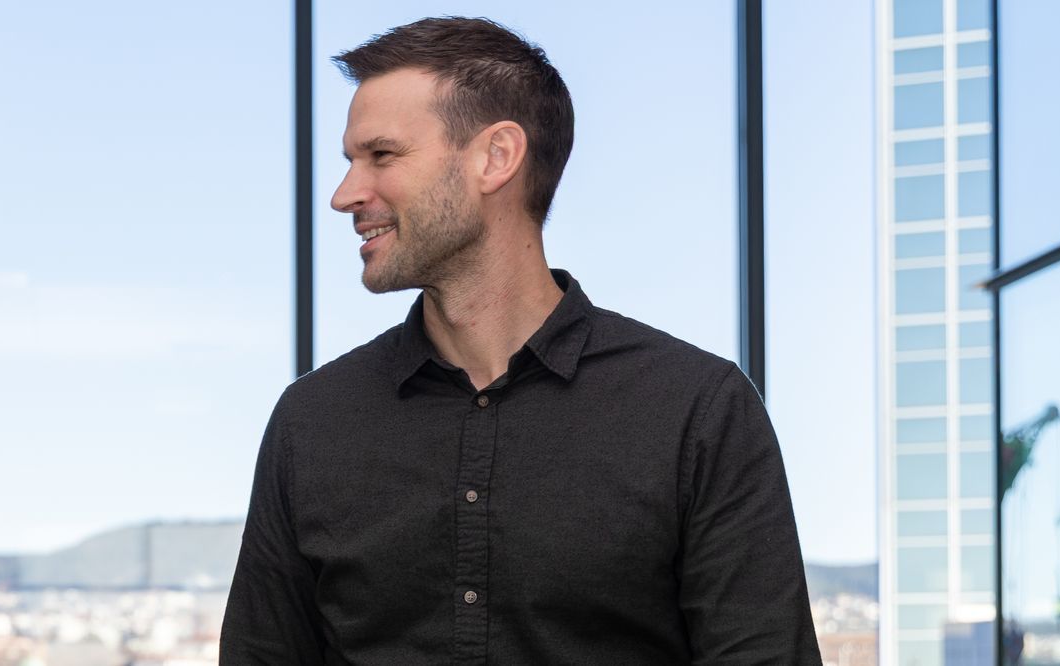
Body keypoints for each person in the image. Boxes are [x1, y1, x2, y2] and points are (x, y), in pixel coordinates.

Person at [221, 17, 819, 663]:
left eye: (382, 155)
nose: (345, 195)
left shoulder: (695, 409)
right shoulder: (313, 420)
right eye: (351, 162)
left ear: (496, 157)